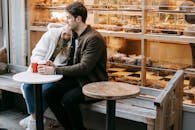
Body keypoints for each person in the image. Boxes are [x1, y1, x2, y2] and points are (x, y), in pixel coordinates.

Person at [39, 2, 108, 130]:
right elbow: (72, 63)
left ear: (79, 19)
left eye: (69, 18)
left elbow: (84, 68)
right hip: (80, 79)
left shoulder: (93, 38)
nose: (66, 21)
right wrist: (54, 64)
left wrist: (55, 70)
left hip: (94, 82)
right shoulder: (76, 35)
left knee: (68, 99)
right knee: (49, 93)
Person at [19, 23, 72, 130]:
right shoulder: (50, 35)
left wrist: (54, 67)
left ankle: (33, 120)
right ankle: (36, 118)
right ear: (62, 29)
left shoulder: (73, 44)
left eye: (69, 36)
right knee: (27, 87)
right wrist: (43, 63)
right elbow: (36, 53)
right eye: (64, 33)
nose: (65, 36)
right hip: (40, 68)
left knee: (45, 90)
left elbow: (69, 64)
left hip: (55, 73)